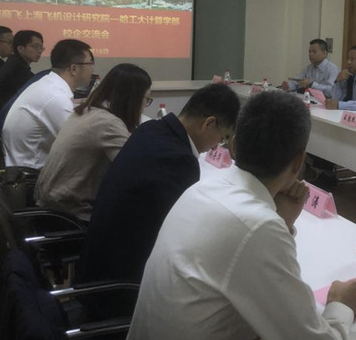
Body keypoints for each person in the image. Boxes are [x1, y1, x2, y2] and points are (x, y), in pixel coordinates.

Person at [125, 90, 356, 340]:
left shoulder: (203, 188)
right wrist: (341, 305)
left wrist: (282, 221)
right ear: (299, 161)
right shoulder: (258, 227)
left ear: (234, 144)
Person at [76, 83, 240, 316]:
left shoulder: (151, 129)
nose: (217, 145)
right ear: (209, 123)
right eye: (222, 138)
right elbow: (186, 237)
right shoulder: (180, 160)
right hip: (122, 289)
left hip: (96, 267)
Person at [34, 63, 152, 221]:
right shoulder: (108, 123)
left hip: (49, 203)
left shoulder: (87, 110)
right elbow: (136, 171)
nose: (145, 105)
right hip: (68, 214)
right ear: (133, 99)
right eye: (146, 99)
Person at [1, 39, 93, 169]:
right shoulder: (56, 97)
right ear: (74, 68)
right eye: (90, 63)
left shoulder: (48, 83)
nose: (92, 69)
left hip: (25, 166)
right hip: (32, 175)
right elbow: (80, 145)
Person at [0, 30, 45, 116]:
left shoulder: (15, 63)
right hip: (1, 116)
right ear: (20, 49)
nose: (39, 51)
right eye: (35, 46)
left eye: (41, 47)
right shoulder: (17, 68)